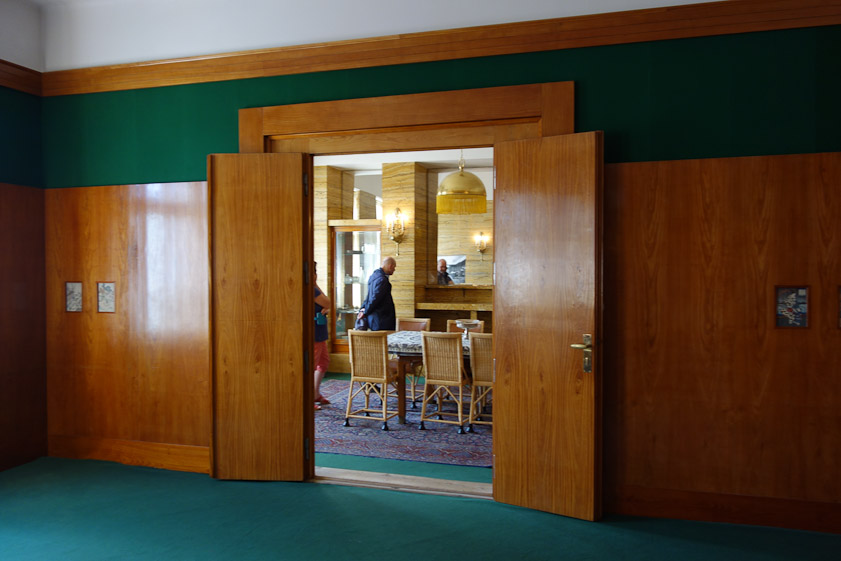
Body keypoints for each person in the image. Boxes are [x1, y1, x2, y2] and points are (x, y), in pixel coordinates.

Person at [358, 256, 396, 331]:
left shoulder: (373, 277)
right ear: (390, 266)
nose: (394, 270)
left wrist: (362, 309)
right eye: (394, 267)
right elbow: (375, 299)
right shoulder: (383, 280)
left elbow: (368, 297)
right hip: (382, 319)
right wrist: (365, 312)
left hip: (373, 318)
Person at [313, 262, 331, 410]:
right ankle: (307, 398)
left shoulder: (313, 289)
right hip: (314, 333)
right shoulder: (311, 290)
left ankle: (315, 393)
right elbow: (328, 301)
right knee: (312, 366)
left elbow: (326, 304)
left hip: (320, 331)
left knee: (323, 362)